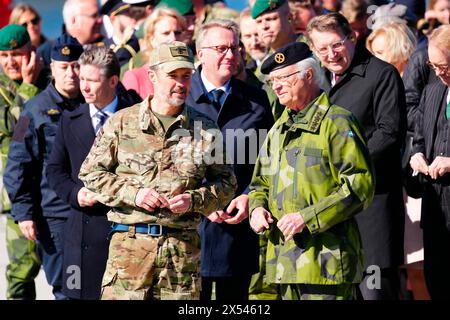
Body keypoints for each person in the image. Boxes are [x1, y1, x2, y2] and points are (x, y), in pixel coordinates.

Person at [78, 41, 237, 300]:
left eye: (186, 76)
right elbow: (91, 173)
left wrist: (194, 200)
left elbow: (226, 183)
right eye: (172, 76)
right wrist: (134, 194)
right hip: (129, 252)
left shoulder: (205, 129)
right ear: (152, 76)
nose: (181, 84)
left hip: (181, 258)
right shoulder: (121, 123)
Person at [248, 41, 374, 300]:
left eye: (284, 78)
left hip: (325, 264)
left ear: (309, 75)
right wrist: (256, 209)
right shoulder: (278, 129)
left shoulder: (337, 122)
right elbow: (260, 184)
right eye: (273, 81)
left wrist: (307, 217)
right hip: (282, 265)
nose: (277, 86)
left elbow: (360, 185)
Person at [306, 12, 407, 300]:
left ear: (352, 37)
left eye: (336, 45)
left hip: (372, 206)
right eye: (322, 49)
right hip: (330, 209)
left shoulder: (381, 74)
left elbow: (389, 134)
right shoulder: (317, 81)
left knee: (373, 291)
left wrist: (346, 167)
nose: (331, 54)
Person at [185, 19, 274, 300]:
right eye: (221, 48)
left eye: (235, 48)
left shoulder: (256, 101)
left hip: (237, 228)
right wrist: (201, 201)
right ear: (201, 53)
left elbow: (269, 160)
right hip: (189, 231)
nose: (231, 55)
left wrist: (250, 196)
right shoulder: (181, 98)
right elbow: (164, 163)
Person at [45, 46, 135, 300]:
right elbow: (54, 170)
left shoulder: (136, 114)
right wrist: (75, 193)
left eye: (91, 81)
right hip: (80, 236)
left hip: (125, 233)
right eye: (82, 78)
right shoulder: (70, 119)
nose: (83, 86)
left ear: (113, 81)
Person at [3, 34, 84, 300]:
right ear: (52, 68)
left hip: (92, 212)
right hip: (55, 217)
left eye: (76, 65)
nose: (71, 73)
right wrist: (24, 213)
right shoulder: (32, 111)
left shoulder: (94, 103)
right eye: (64, 67)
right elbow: (17, 164)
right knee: (68, 287)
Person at [0, 24, 46, 300]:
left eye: (16, 54)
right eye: (3, 56)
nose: (10, 62)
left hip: (52, 193)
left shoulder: (50, 81)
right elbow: (18, 128)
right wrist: (27, 88)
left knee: (68, 271)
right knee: (20, 272)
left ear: (31, 52)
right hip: (17, 196)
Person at [409, 24, 450, 300]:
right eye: (433, 65)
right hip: (436, 208)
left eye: (444, 65)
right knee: (437, 283)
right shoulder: (434, 89)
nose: (437, 72)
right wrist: (416, 155)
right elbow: (419, 136)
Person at [122, 7, 186, 99]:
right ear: (151, 38)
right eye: (166, 33)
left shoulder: (190, 75)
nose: (173, 38)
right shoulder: (136, 77)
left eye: (177, 32)